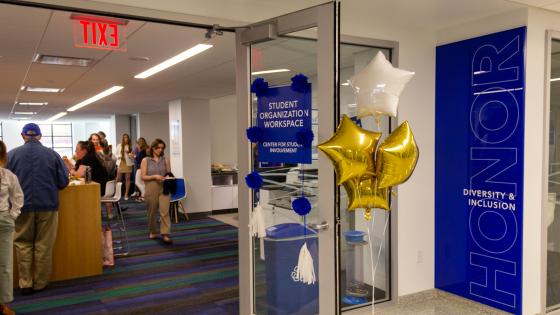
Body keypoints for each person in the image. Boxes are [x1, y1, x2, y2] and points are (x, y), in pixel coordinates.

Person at [7, 123, 69, 295]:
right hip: (47, 205)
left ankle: (25, 283)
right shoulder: (52, 155)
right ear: (40, 136)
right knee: (44, 245)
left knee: (22, 244)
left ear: (22, 136)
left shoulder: (10, 156)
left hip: (21, 207)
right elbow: (63, 182)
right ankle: (40, 283)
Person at [0, 141, 23, 315]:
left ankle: (3, 303)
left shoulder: (8, 175)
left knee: (5, 265)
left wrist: (12, 215)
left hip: (4, 221)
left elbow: (18, 196)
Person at [141, 139, 172, 244]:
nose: (160, 150)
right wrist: (154, 176)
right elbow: (143, 176)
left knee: (165, 212)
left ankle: (165, 233)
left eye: (162, 148)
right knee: (152, 212)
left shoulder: (165, 160)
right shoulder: (146, 160)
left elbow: (169, 173)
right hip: (151, 186)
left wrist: (168, 177)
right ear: (153, 148)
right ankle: (153, 231)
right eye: (158, 148)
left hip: (164, 187)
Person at [116, 134, 134, 200]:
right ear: (122, 139)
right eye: (124, 138)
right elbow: (116, 154)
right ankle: (118, 193)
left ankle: (126, 194)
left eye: (126, 138)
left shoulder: (131, 146)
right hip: (121, 163)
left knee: (128, 178)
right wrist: (119, 156)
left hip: (128, 164)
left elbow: (133, 157)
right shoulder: (119, 145)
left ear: (128, 139)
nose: (125, 139)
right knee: (118, 179)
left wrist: (129, 154)